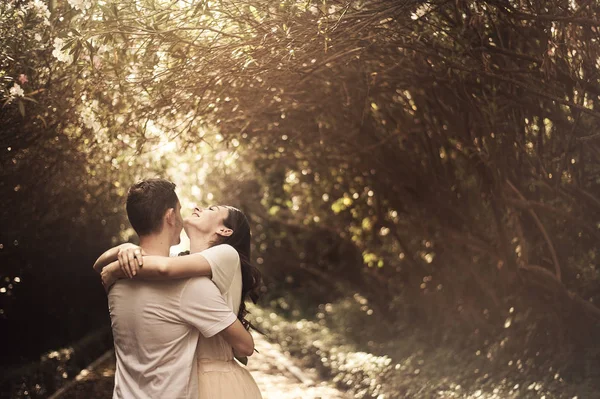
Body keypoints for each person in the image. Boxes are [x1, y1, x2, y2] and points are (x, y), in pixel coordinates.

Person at [95, 182, 263, 398]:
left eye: (211, 209)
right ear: (171, 216)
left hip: (215, 381)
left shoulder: (225, 254)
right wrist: (125, 249)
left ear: (224, 230)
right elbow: (165, 267)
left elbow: (164, 268)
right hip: (191, 377)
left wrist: (117, 266)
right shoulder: (186, 276)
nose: (197, 209)